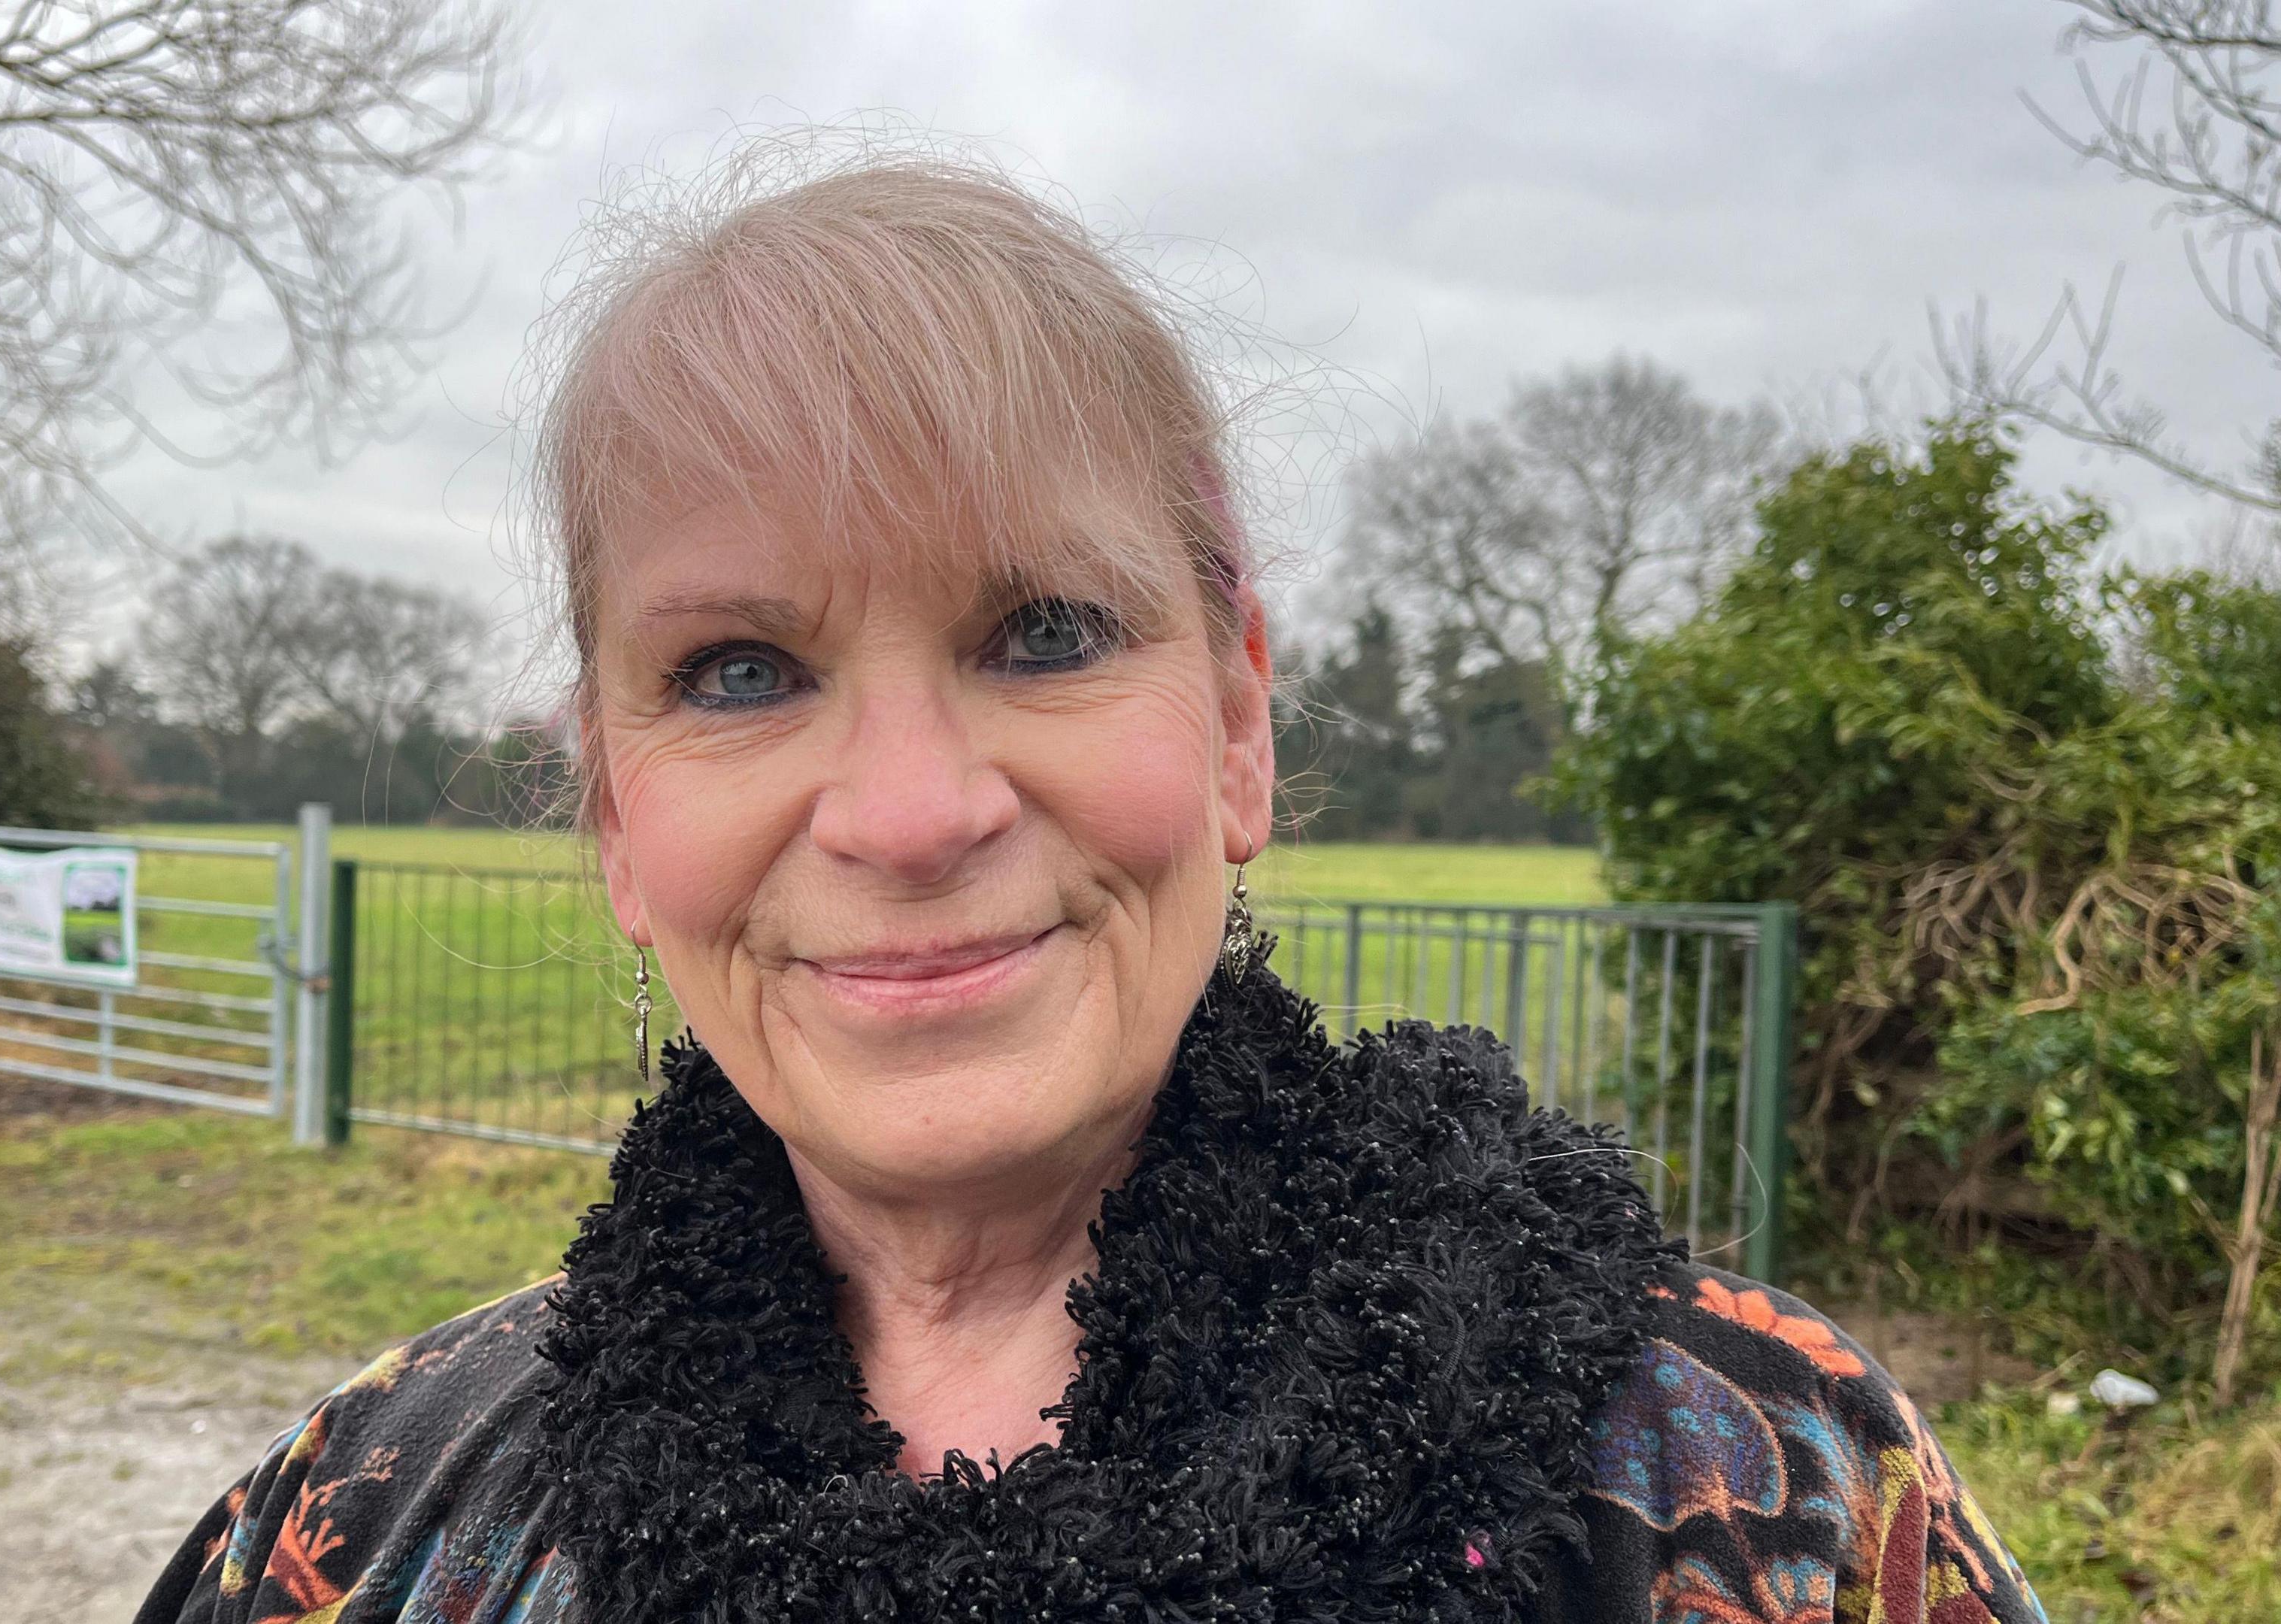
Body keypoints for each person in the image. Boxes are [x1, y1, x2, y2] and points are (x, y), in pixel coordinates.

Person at [136, 153, 2043, 1624]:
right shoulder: (366, 1518)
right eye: (738, 672)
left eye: (1042, 632)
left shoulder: (1752, 1482)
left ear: (1237, 729)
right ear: (619, 817)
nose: (905, 813)